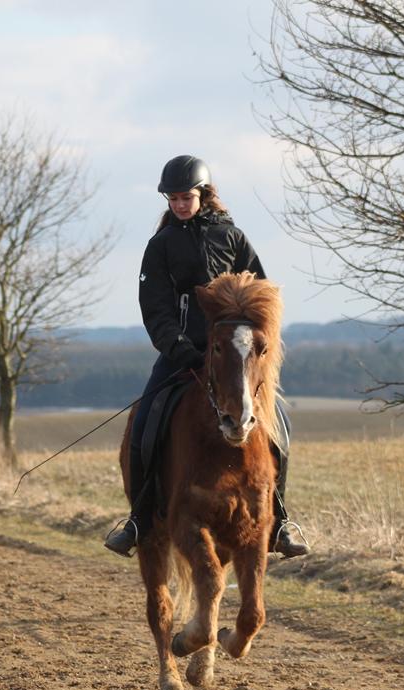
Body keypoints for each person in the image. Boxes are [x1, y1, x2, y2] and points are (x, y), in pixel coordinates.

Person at [105, 154, 309, 560]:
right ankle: (140, 518)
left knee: (278, 427)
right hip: (182, 356)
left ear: (203, 194)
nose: (180, 204)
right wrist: (177, 347)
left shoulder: (232, 238)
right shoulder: (161, 246)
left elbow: (262, 294)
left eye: (187, 197)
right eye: (174, 198)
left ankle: (280, 519)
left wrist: (255, 346)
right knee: (146, 423)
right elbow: (154, 307)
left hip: (233, 359)